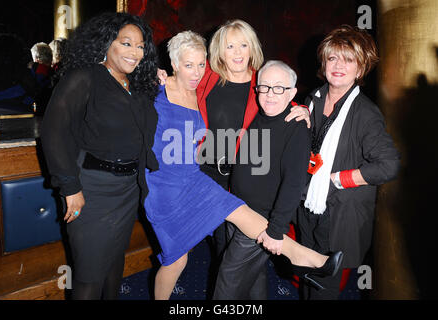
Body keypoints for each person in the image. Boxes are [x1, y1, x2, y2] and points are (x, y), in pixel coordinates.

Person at [144, 30, 342, 300]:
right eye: (229, 46)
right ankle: (310, 261)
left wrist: (300, 108)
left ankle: (312, 261)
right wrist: (149, 72)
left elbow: (277, 93)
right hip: (185, 177)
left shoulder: (257, 82)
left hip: (221, 176)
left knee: (243, 235)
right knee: (186, 259)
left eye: (243, 45)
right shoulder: (193, 83)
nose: (196, 71)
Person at [41, 12, 159, 300]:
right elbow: (52, 132)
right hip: (90, 189)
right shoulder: (85, 77)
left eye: (141, 46)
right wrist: (70, 188)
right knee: (88, 274)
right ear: (107, 43)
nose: (135, 52)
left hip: (129, 189)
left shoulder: (139, 86)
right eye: (126, 43)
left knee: (114, 263)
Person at [296, 25, 401, 299]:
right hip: (308, 206)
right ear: (324, 63)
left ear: (360, 68)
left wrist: (336, 179)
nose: (338, 65)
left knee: (324, 291)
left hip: (338, 215)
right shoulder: (313, 100)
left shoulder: (366, 113)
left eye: (348, 59)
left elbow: (389, 165)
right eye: (332, 58)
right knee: (307, 281)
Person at [213, 60, 314, 299]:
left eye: (279, 88)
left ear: (292, 93)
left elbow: (293, 183)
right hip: (237, 208)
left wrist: (276, 230)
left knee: (227, 280)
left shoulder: (296, 127)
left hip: (260, 220)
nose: (270, 94)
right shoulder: (258, 114)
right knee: (253, 276)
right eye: (264, 87)